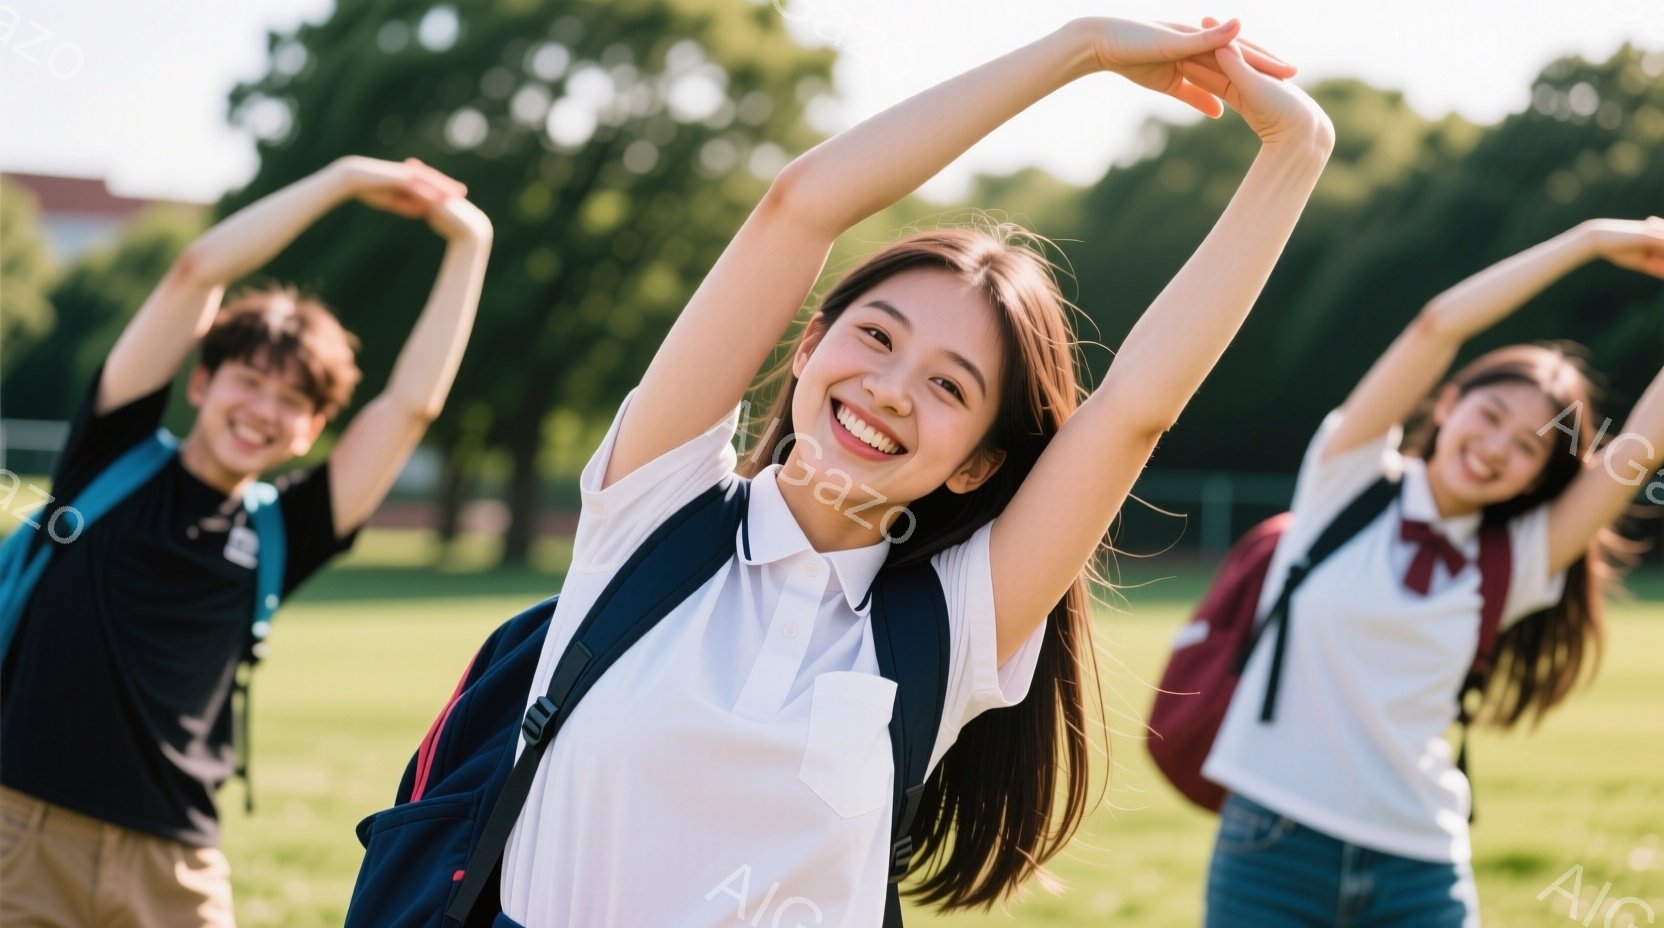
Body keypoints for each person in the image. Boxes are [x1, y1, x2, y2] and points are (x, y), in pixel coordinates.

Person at [492, 15, 1333, 926]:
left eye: (948, 385)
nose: (891, 389)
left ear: (979, 465)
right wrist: (1078, 46)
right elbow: (802, 203)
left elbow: (1135, 405)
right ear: (810, 345)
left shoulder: (948, 626)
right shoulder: (651, 510)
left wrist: (1297, 149)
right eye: (877, 337)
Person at [0, 155, 492, 926]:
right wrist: (341, 181)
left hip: (176, 864)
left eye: (293, 399)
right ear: (200, 382)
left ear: (312, 431)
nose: (264, 408)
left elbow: (409, 408)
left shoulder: (281, 532)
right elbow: (197, 270)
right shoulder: (112, 452)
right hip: (21, 834)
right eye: (249, 380)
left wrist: (471, 245)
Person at [1201, 217, 1664, 927]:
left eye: (1527, 447)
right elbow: (1436, 326)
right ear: (1448, 403)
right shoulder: (1346, 479)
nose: (1495, 447)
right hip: (1271, 846)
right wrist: (1589, 241)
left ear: (1536, 480)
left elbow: (1641, 447)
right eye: (1491, 414)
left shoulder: (1518, 559)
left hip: (1419, 866)